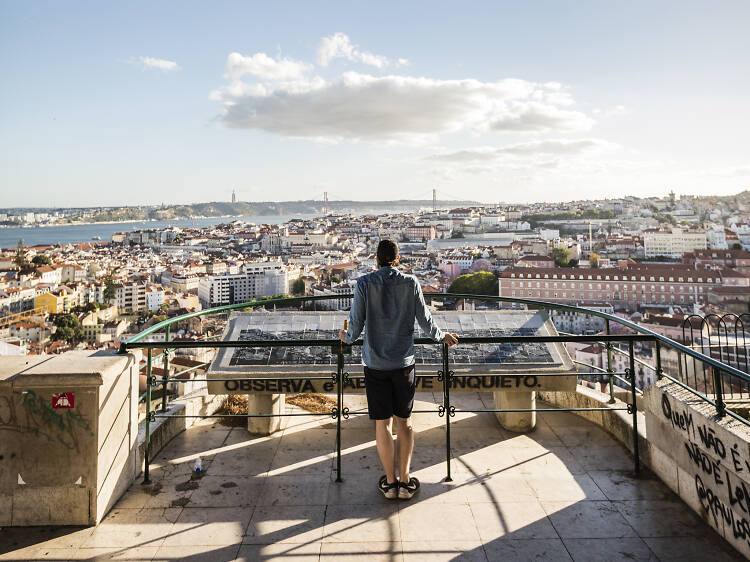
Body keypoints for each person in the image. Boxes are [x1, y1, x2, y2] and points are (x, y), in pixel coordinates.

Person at [339, 239, 458, 500]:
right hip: (403, 363)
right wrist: (441, 337)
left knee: (383, 424)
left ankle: (390, 483)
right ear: (397, 258)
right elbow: (425, 320)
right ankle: (405, 481)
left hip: (375, 364)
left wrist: (345, 338)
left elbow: (356, 326)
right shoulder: (411, 282)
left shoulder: (364, 284)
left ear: (376, 259)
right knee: (405, 422)